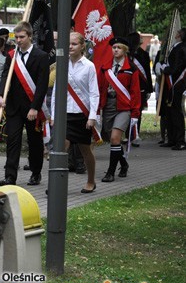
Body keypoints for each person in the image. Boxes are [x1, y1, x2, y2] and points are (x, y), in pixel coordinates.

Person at [0, 21, 49, 186]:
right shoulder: (12, 56)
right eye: (16, 37)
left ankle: (35, 172)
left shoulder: (41, 56)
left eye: (21, 37)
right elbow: (5, 76)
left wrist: (35, 107)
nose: (18, 40)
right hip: (14, 106)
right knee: (13, 140)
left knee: (34, 142)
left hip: (32, 107)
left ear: (30, 37)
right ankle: (10, 176)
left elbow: (42, 85)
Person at [51, 32, 100, 193]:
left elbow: (94, 93)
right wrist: (53, 115)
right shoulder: (62, 64)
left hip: (82, 115)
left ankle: (91, 180)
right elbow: (56, 92)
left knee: (85, 151)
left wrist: (92, 116)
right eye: (68, 44)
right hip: (65, 114)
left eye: (74, 44)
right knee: (60, 148)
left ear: (82, 46)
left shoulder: (89, 66)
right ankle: (55, 185)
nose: (70, 46)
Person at [97, 37, 141, 182]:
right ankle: (123, 164)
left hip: (124, 107)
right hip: (108, 105)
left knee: (116, 138)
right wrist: (98, 109)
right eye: (114, 47)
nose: (115, 50)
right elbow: (100, 88)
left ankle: (110, 172)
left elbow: (135, 92)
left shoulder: (131, 69)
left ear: (125, 50)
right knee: (112, 140)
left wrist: (135, 113)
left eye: (119, 47)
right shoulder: (105, 67)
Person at [157, 27, 186, 150]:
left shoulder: (182, 48)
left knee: (176, 111)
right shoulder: (176, 46)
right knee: (169, 111)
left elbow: (177, 67)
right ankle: (172, 139)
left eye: (178, 33)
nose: (175, 34)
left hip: (177, 82)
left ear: (180, 35)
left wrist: (165, 69)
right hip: (170, 83)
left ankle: (180, 140)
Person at [127, 32, 153, 146]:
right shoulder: (129, 54)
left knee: (135, 111)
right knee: (133, 112)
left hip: (138, 87)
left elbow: (146, 72)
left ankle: (133, 135)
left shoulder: (141, 54)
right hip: (137, 87)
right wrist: (149, 88)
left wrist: (149, 88)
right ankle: (130, 135)